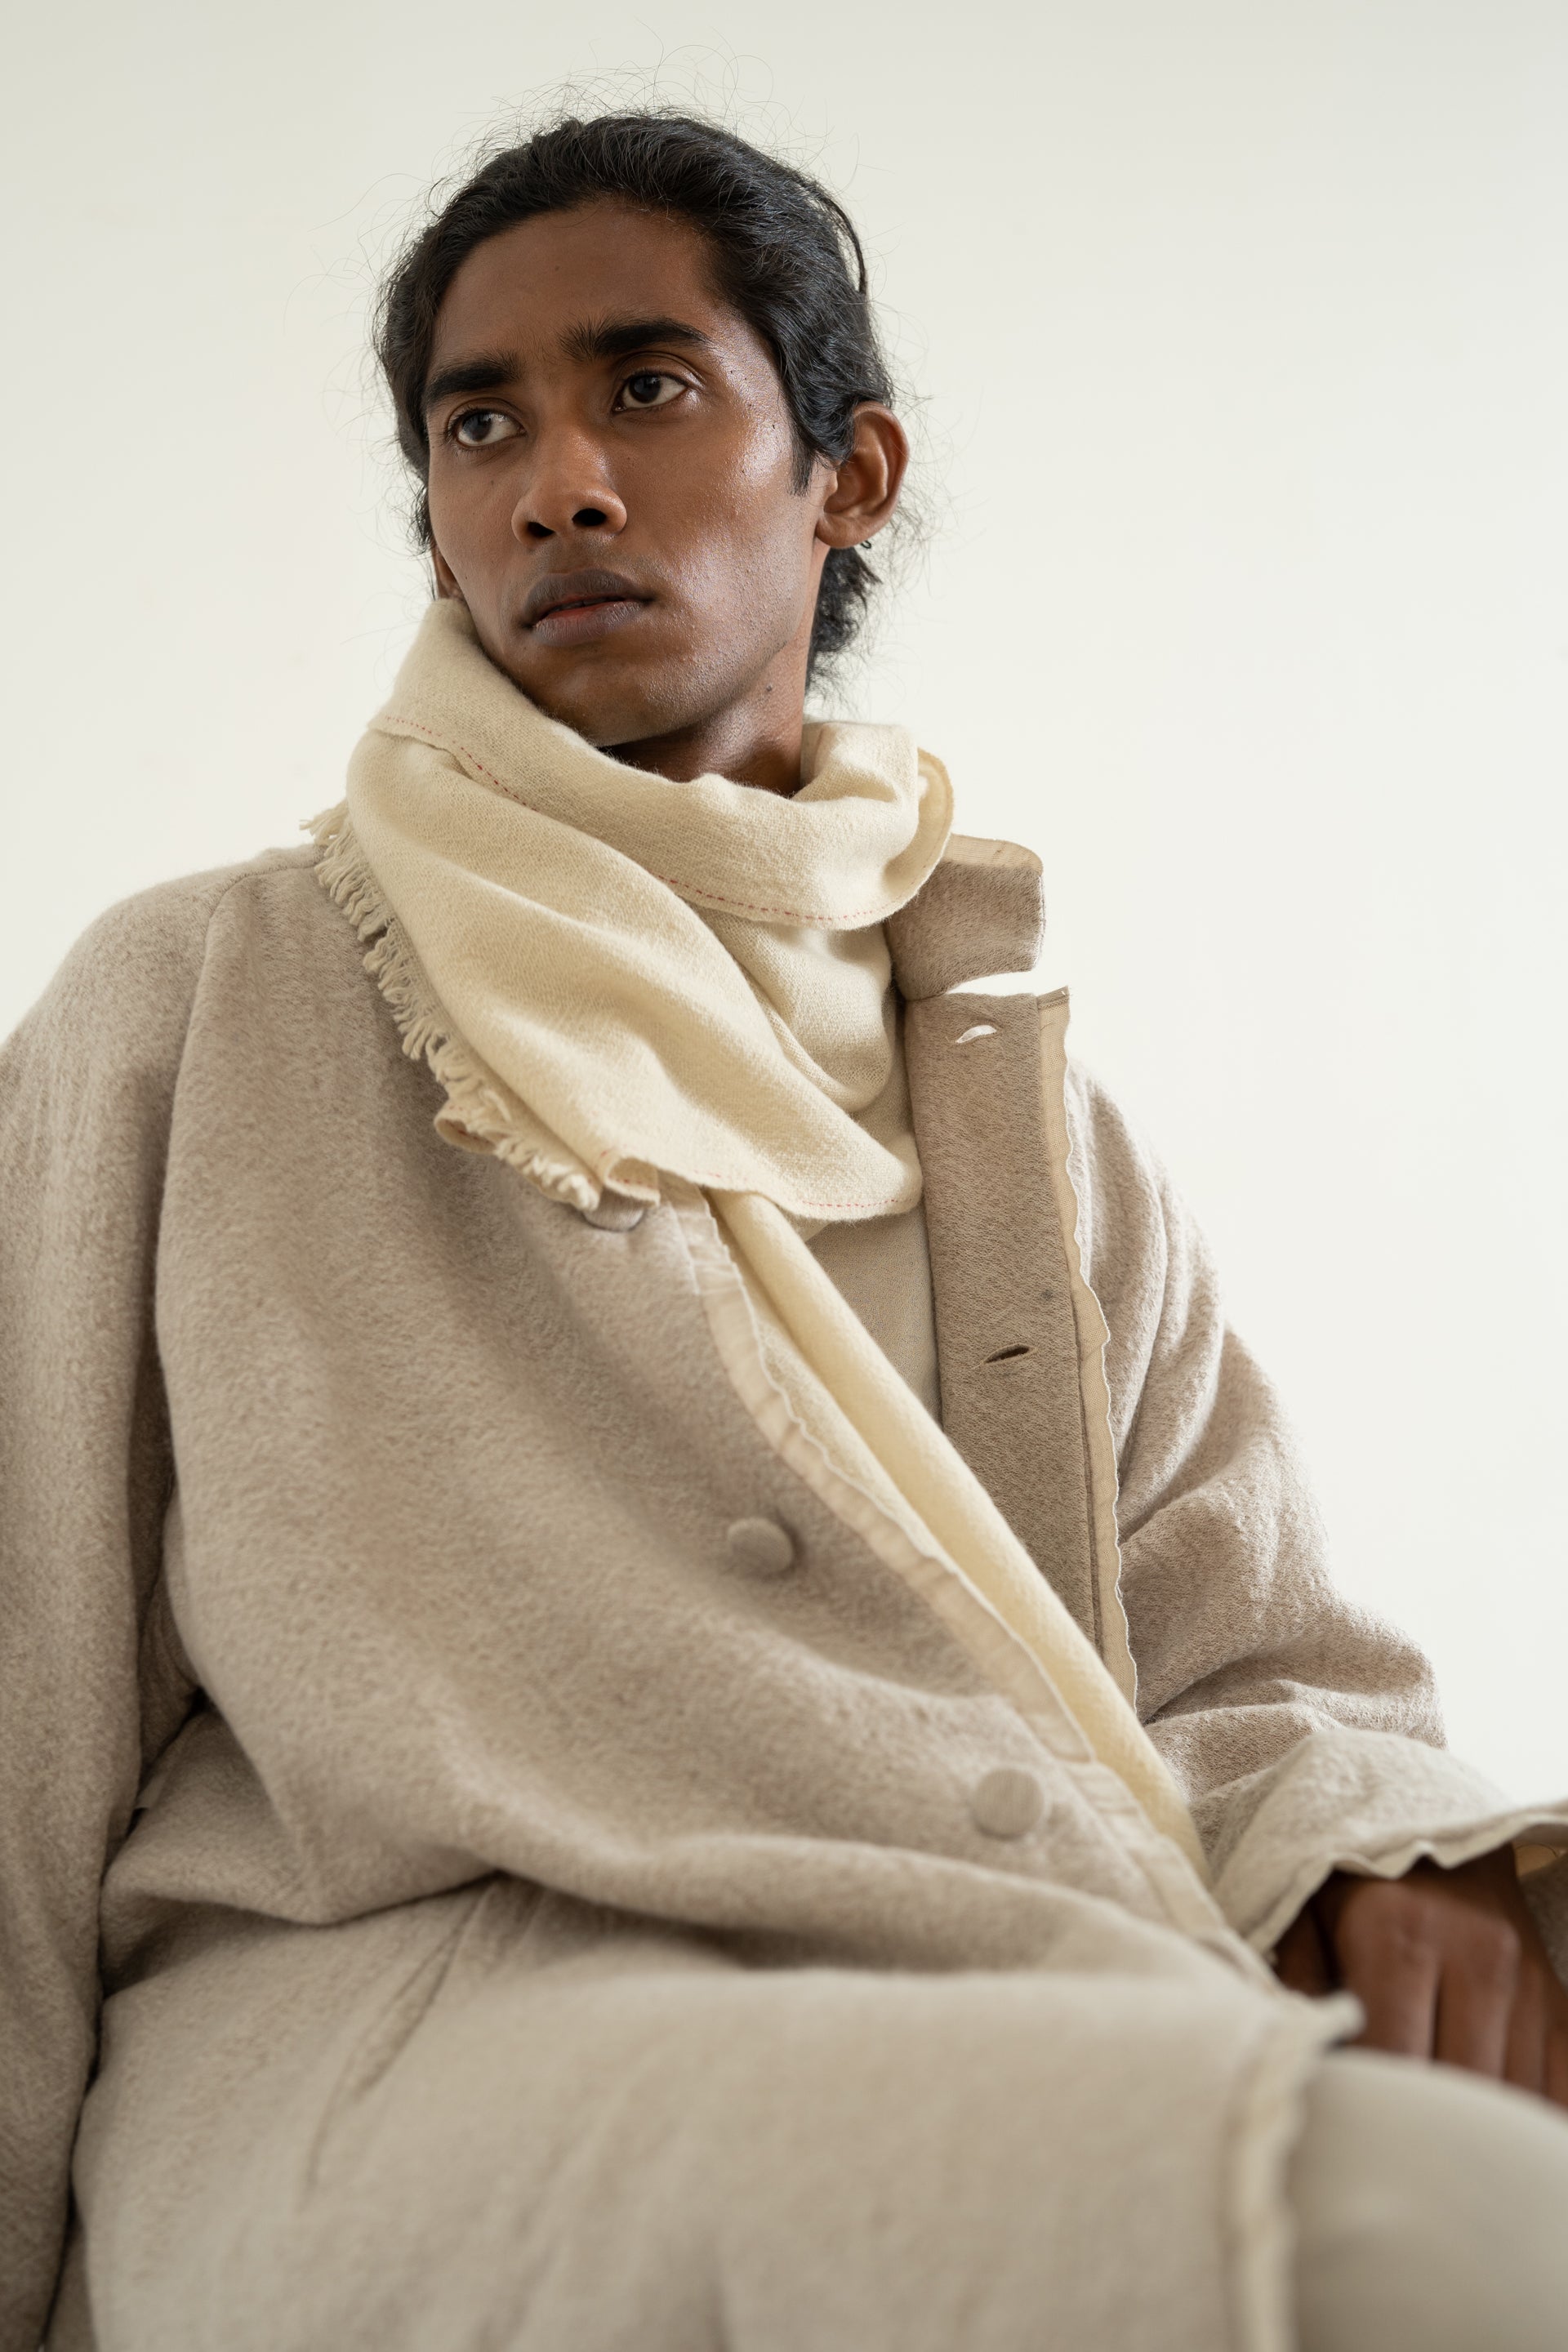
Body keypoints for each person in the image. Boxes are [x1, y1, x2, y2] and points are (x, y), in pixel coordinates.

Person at [4, 109, 1568, 2352]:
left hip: (986, 1985)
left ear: (851, 474)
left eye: (646, 386)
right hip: (401, 2048)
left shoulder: (1019, 1108)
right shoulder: (205, 998)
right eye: (478, 425)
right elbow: (19, 1697)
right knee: (1406, 2227)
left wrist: (1398, 1857)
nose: (558, 483)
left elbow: (1244, 1663)